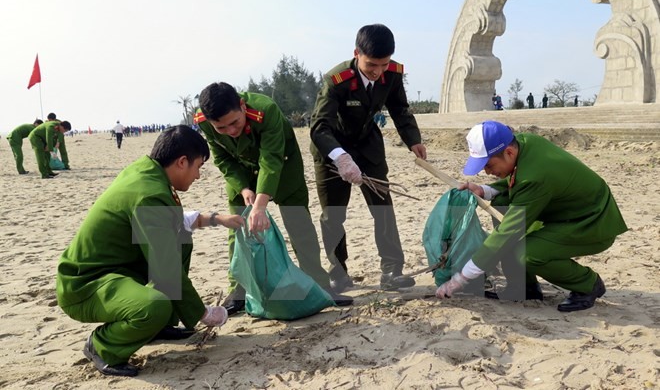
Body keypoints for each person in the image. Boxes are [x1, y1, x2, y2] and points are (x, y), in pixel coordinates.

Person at [56, 125, 242, 377]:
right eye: (198, 167)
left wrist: (216, 218)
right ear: (181, 162)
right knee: (153, 307)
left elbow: (172, 223)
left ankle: (159, 327)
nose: (198, 176)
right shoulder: (149, 194)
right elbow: (166, 271)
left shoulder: (146, 172)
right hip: (86, 284)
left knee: (181, 240)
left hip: (118, 269)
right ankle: (102, 346)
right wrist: (203, 313)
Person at [195, 82, 353, 315]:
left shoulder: (265, 110)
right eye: (221, 128)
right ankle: (238, 291)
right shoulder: (204, 121)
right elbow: (222, 160)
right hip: (241, 172)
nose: (230, 131)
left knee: (300, 226)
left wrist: (260, 205)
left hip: (284, 167)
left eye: (234, 123)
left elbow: (271, 159)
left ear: (241, 105)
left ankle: (319, 286)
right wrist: (244, 188)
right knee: (236, 229)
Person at [435, 120, 628, 312]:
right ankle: (523, 287)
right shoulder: (523, 143)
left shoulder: (535, 177)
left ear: (509, 152)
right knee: (502, 203)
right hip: (560, 211)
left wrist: (460, 279)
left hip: (591, 222)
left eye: (488, 165)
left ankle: (588, 284)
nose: (487, 172)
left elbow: (508, 229)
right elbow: (519, 183)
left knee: (527, 254)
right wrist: (484, 190)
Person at [310, 23, 427, 292]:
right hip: (332, 150)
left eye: (383, 65)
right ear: (356, 53)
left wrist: (414, 141)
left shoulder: (393, 73)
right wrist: (340, 157)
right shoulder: (335, 80)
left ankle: (391, 271)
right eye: (372, 65)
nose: (377, 72)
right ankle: (338, 273)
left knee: (383, 207)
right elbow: (319, 127)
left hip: (367, 146)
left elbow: (400, 109)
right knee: (333, 215)